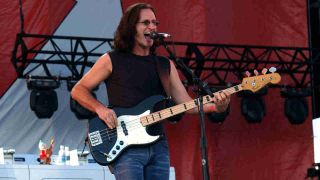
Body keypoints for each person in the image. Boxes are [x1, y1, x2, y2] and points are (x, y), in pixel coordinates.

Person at [71, 3, 230, 180]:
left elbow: (186, 105)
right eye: (146, 22)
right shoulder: (111, 60)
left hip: (158, 145)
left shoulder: (164, 65)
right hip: (126, 148)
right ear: (131, 28)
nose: (152, 27)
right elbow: (79, 90)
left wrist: (217, 107)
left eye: (155, 23)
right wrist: (101, 109)